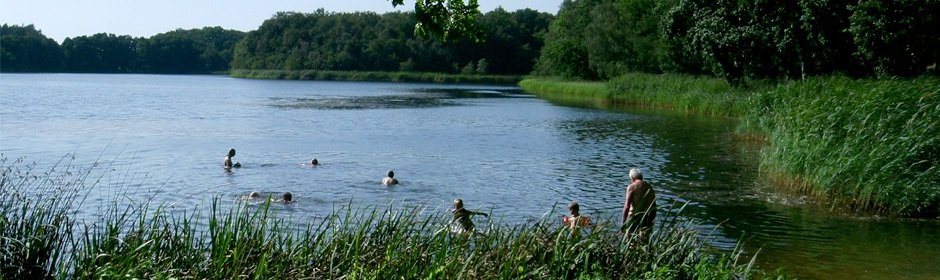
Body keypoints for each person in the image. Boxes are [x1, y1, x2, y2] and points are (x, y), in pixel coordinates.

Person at [622, 168, 657, 240]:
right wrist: (651, 221)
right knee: (644, 240)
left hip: (634, 217)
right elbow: (654, 206)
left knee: (630, 240)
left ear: (632, 178)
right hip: (646, 217)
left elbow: (627, 206)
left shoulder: (632, 187)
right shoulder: (649, 187)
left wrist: (623, 223)